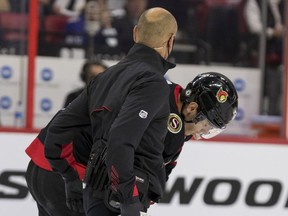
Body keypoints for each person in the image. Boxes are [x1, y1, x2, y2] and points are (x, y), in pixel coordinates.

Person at [25, 71, 238, 216]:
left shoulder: (165, 91)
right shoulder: (168, 126)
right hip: (64, 174)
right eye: (208, 126)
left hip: (46, 162)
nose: (205, 133)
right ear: (191, 109)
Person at [43, 7, 177, 216]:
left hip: (94, 194)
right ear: (171, 41)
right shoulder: (154, 82)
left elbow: (56, 132)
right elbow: (120, 140)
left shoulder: (104, 77)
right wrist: (128, 200)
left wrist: (70, 178)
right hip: (119, 200)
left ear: (135, 33)